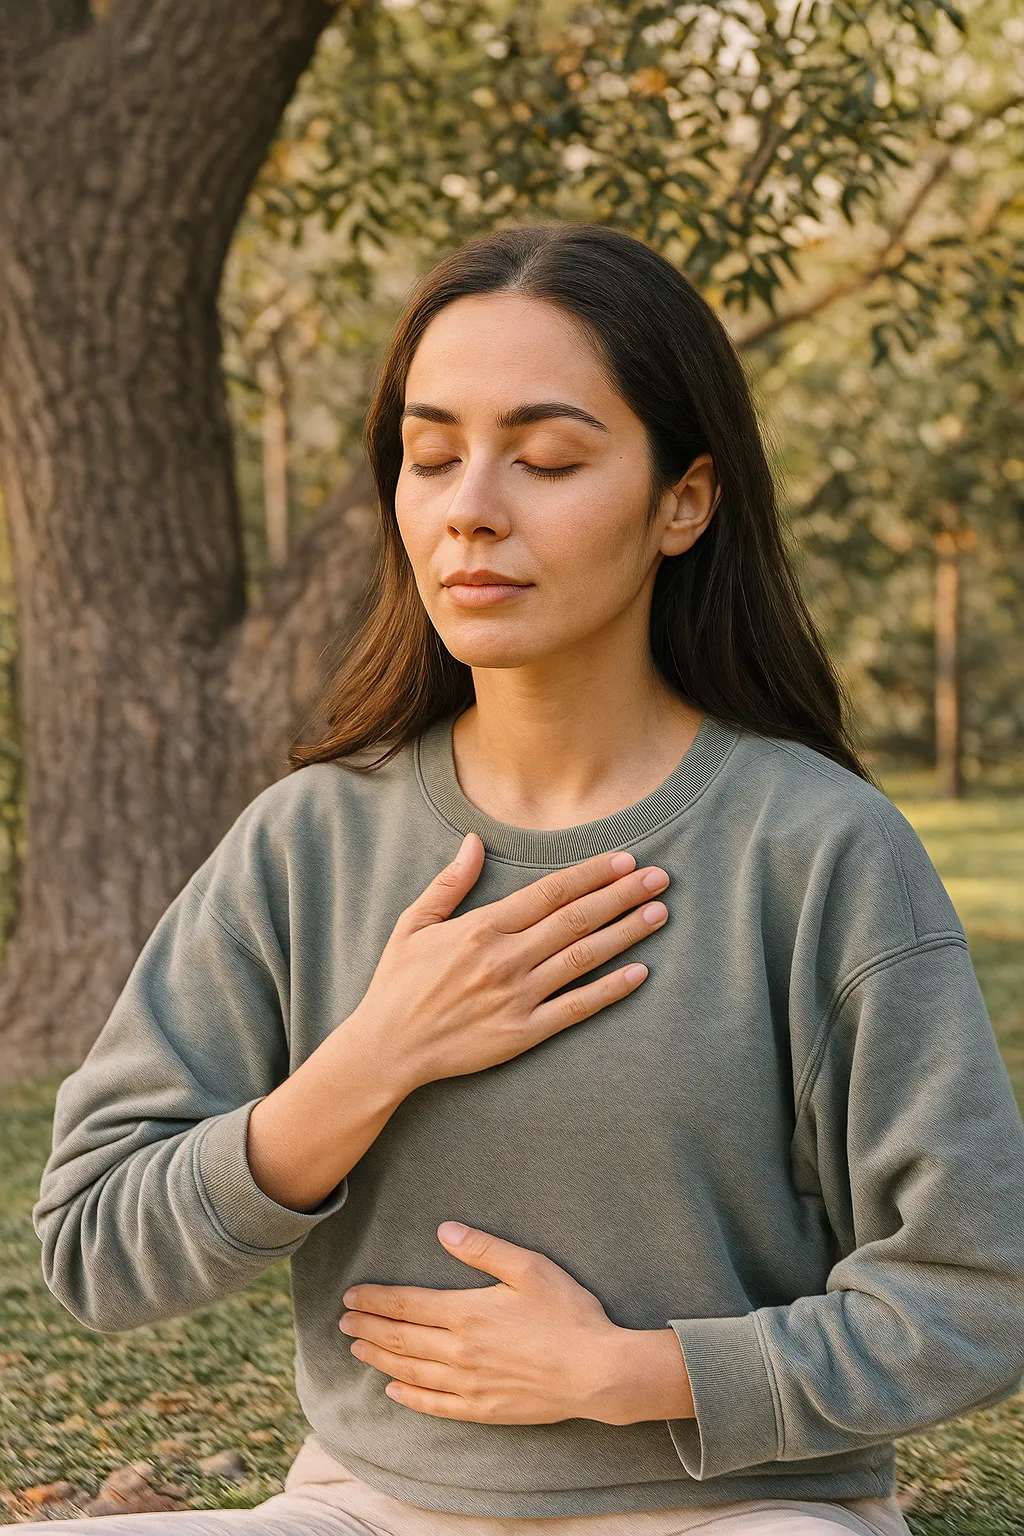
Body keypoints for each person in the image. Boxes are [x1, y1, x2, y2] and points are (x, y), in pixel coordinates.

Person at [33, 223, 1024, 1536]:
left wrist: (643, 1374)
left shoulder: (819, 852)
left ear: (686, 500)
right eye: (431, 456)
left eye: (547, 457)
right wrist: (372, 1057)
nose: (471, 508)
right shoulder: (306, 842)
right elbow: (91, 1243)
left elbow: (979, 1289)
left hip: (741, 1517)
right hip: (368, 1511)